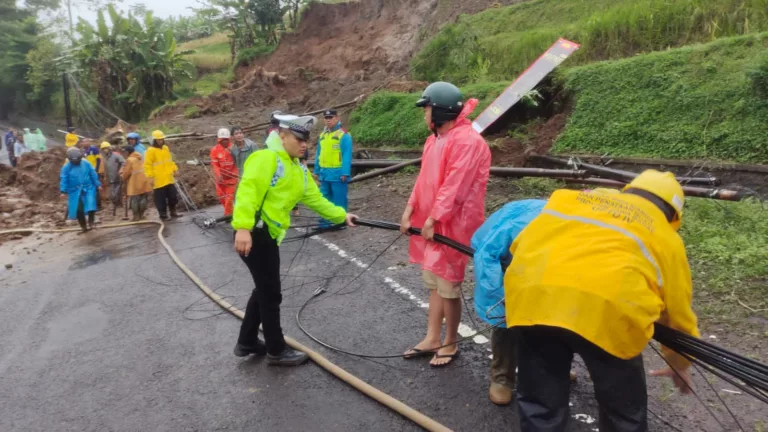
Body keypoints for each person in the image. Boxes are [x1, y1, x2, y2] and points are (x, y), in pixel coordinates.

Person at [504, 171, 699, 432]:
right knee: (623, 414)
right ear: (673, 215)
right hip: (610, 315)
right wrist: (679, 362)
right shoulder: (666, 237)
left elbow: (518, 246)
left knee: (540, 405)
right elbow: (677, 313)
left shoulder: (567, 200)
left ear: (628, 190)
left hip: (533, 298)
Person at [232, 114, 359, 366]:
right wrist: (243, 228)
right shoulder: (266, 158)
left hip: (269, 235)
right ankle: (276, 350)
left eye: (306, 140)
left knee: (264, 289)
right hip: (255, 234)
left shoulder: (298, 168)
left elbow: (316, 199)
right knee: (271, 294)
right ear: (282, 137)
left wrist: (342, 215)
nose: (304, 144)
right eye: (298, 138)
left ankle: (246, 341)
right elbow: (247, 191)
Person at [400, 82, 491, 367]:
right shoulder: (435, 140)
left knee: (449, 287)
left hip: (455, 225)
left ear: (439, 110)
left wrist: (434, 219)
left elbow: (456, 187)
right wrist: (409, 210)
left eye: (426, 108)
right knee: (433, 282)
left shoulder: (467, 141)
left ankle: (450, 341)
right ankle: (432, 338)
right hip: (432, 224)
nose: (424, 114)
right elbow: (424, 180)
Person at [314, 109, 352, 227]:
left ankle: (340, 222)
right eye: (326, 118)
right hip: (325, 173)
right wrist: (316, 170)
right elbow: (318, 154)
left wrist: (345, 172)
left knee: (339, 199)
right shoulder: (323, 136)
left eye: (331, 117)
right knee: (324, 199)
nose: (328, 120)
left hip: (338, 174)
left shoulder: (344, 135)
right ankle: (324, 222)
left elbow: (347, 155)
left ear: (337, 118)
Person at [60, 147, 101, 233]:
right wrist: (63, 191)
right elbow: (64, 179)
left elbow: (93, 173)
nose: (76, 163)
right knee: (79, 209)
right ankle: (83, 226)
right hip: (74, 191)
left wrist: (98, 184)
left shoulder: (86, 163)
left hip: (88, 188)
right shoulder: (66, 167)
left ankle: (91, 222)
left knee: (91, 205)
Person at [144, 130, 180, 220]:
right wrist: (150, 177)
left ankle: (173, 211)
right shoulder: (150, 151)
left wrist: (175, 169)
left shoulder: (165, 148)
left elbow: (170, 161)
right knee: (160, 200)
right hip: (158, 180)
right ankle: (163, 215)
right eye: (159, 139)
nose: (161, 141)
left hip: (168, 178)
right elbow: (147, 165)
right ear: (155, 140)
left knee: (173, 196)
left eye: (162, 139)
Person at [210, 128, 238, 216]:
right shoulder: (214, 150)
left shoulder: (234, 148)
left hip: (232, 178)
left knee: (229, 198)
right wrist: (218, 175)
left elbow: (239, 162)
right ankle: (231, 212)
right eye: (223, 140)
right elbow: (215, 165)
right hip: (221, 179)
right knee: (221, 196)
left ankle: (228, 215)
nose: (225, 141)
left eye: (226, 139)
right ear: (219, 140)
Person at [120, 145, 152, 221]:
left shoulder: (129, 160)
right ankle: (141, 215)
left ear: (127, 152)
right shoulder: (140, 158)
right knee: (143, 198)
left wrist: (122, 176)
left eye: (124, 152)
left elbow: (126, 172)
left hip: (135, 182)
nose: (123, 154)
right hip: (144, 180)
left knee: (135, 199)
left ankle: (136, 216)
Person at [100, 142, 126, 216]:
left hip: (117, 177)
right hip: (110, 178)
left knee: (116, 193)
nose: (105, 150)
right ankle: (117, 205)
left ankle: (118, 205)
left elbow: (124, 162)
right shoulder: (104, 158)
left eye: (106, 148)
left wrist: (121, 170)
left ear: (109, 148)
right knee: (112, 193)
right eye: (104, 149)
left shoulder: (116, 155)